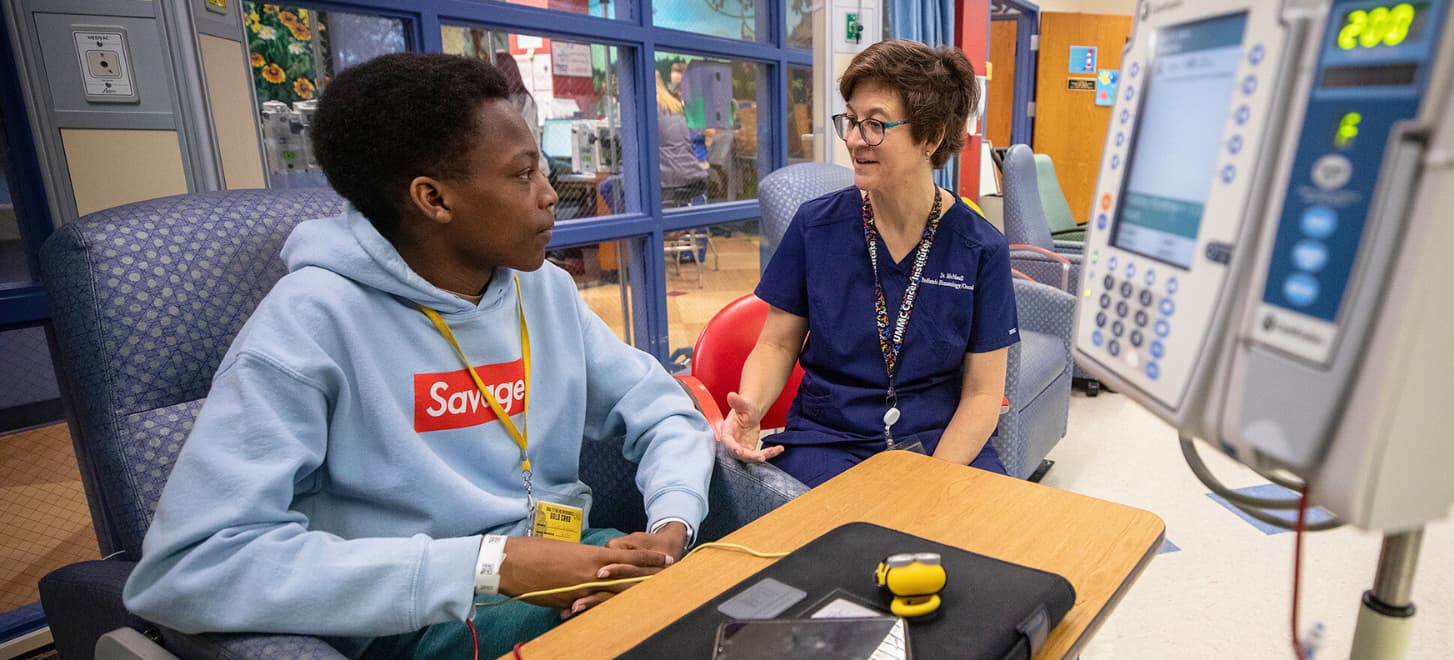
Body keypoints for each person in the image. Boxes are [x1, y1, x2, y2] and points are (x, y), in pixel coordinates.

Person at [121, 53, 714, 658]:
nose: (547, 195)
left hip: (573, 567)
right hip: (420, 617)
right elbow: (189, 567)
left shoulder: (544, 290)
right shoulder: (309, 323)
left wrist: (672, 524)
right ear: (433, 198)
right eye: (522, 174)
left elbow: (663, 411)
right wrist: (492, 565)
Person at [716, 40, 1017, 487]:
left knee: (990, 542)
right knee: (827, 544)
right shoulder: (816, 227)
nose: (855, 139)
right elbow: (777, 345)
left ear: (930, 138)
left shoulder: (980, 249)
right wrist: (753, 406)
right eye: (852, 122)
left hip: (939, 444)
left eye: (875, 124)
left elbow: (982, 394)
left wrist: (930, 480)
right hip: (830, 440)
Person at [657, 67, 708, 207]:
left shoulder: (687, 107)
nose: (675, 91)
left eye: (679, 86)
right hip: (689, 166)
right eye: (672, 86)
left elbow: (703, 134)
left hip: (696, 163)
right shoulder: (675, 107)